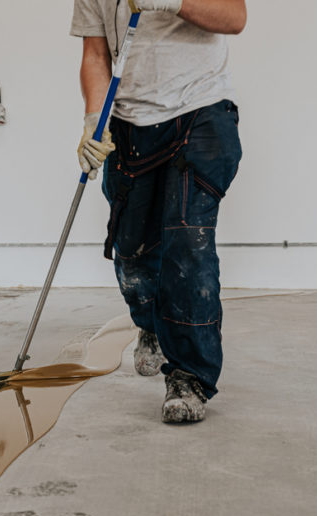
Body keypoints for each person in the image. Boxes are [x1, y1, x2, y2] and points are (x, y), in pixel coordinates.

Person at [71, 0, 246, 423]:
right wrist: (95, 119)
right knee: (131, 252)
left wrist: (174, 1)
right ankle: (151, 323)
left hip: (200, 110)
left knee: (188, 242)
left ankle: (190, 375)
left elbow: (235, 18)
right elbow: (96, 54)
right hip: (130, 122)